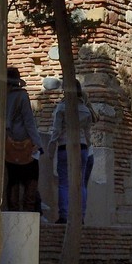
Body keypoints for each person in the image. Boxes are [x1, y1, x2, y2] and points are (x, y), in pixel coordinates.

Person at [47, 80, 95, 224]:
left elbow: (56, 130)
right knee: (80, 184)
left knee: (64, 183)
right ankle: (81, 217)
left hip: (64, 146)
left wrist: (51, 146)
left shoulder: (61, 108)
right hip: (82, 147)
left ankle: (64, 215)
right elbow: (88, 135)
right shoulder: (86, 110)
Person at [3, 67, 43, 212]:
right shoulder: (22, 96)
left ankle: (13, 215)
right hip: (24, 143)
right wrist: (38, 143)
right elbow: (29, 122)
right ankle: (27, 217)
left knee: (12, 182)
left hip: (7, 143)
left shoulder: (1, 96)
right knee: (31, 181)